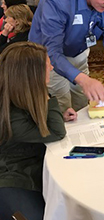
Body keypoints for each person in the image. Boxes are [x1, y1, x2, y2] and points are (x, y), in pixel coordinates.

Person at [0, 42, 77, 220]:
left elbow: (40, 123)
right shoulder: (10, 117)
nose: (51, 67)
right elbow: (57, 132)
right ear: (30, 75)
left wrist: (52, 116)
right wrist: (45, 93)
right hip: (15, 178)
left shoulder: (15, 94)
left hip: (30, 167)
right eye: (47, 64)